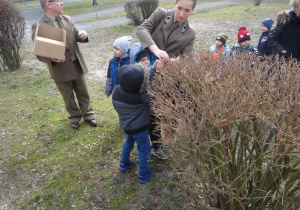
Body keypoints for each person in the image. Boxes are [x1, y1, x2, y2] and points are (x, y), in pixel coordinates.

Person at [31, 0, 97, 129]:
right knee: (68, 96)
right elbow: (39, 52)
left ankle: (89, 115)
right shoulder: (38, 25)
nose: (62, 3)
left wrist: (83, 35)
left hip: (76, 64)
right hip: (59, 68)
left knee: (83, 92)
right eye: (58, 1)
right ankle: (74, 117)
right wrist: (51, 58)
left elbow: (76, 34)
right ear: (49, 4)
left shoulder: (67, 19)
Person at [112, 64, 155, 184]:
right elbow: (150, 86)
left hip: (126, 126)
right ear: (141, 85)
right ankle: (144, 174)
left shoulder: (116, 91)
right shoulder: (143, 96)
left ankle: (124, 163)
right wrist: (154, 70)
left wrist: (154, 68)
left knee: (128, 143)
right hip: (140, 129)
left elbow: (142, 81)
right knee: (144, 150)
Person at [130, 43, 168, 160]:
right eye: (142, 60)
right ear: (135, 61)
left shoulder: (153, 70)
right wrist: (153, 69)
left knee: (156, 128)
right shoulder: (134, 74)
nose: (146, 62)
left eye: (147, 59)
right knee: (144, 131)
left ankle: (157, 147)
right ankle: (145, 150)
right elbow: (144, 79)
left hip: (153, 108)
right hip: (142, 110)